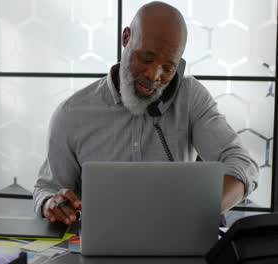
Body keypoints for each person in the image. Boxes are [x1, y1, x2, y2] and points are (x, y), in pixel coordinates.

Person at [33, 1, 259, 225]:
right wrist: (50, 204)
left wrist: (201, 210)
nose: (153, 75)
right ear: (126, 38)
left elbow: (242, 164)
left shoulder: (190, 98)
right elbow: (46, 189)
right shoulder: (71, 114)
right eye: (146, 59)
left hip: (176, 247)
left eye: (168, 68)